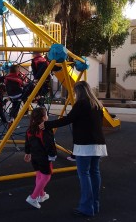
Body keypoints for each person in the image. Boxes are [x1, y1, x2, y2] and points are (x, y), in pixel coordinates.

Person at [40, 81, 107, 217]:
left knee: (84, 174)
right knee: (95, 172)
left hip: (84, 145)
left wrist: (46, 124)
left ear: (79, 92)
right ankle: (95, 204)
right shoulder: (97, 105)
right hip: (99, 144)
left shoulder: (81, 104)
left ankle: (86, 208)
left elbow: (67, 119)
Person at [24, 107, 57, 209]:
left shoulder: (30, 129)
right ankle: (33, 197)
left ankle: (41, 195)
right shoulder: (45, 129)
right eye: (46, 114)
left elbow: (27, 142)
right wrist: (52, 155)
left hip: (35, 157)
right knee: (46, 176)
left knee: (39, 175)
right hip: (44, 157)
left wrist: (27, 153)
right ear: (43, 117)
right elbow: (49, 143)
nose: (47, 116)